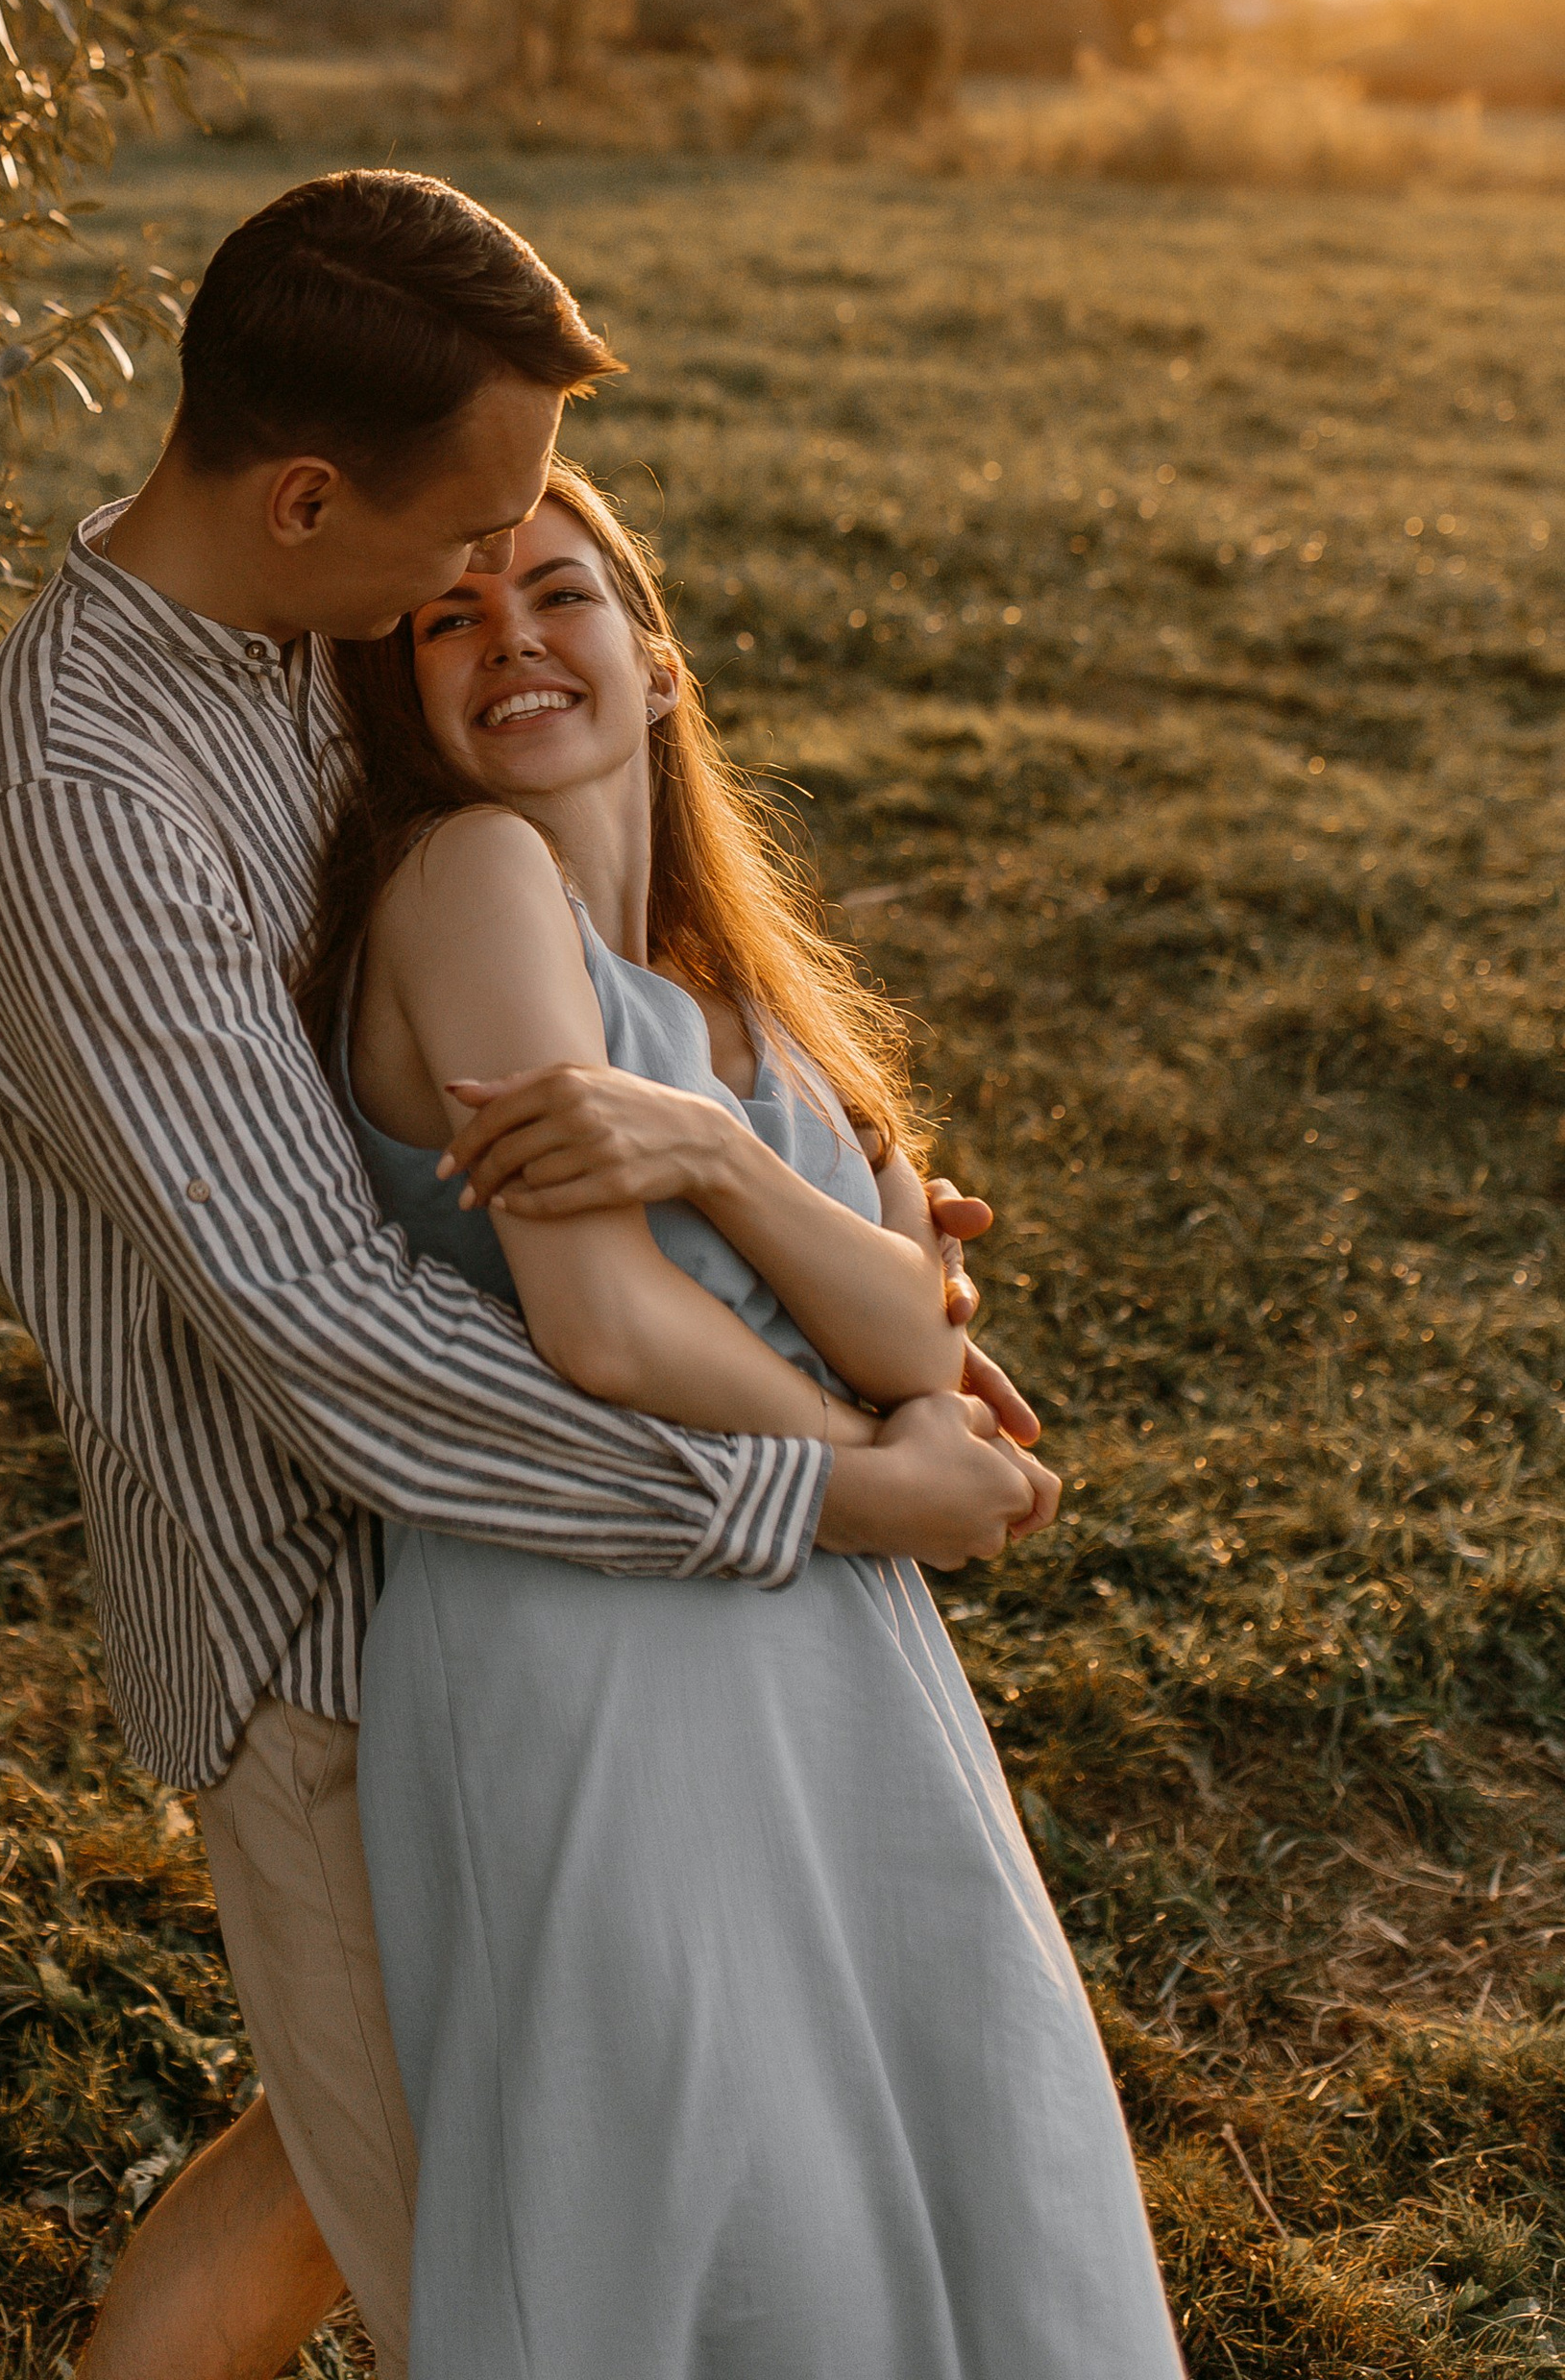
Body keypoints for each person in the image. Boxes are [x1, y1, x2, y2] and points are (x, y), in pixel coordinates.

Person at [0, 170, 1053, 2380]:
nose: (492, 575)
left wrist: (816, 1210)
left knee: (351, 2159)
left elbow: (561, 1006)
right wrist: (830, 1474)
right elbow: (327, 1332)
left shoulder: (319, 630)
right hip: (337, 1604)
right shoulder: (77, 796)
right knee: (507, 2262)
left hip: (565, 1554)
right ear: (310, 494)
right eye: (472, 529)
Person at [305, 456, 1181, 2379]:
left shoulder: (745, 1000)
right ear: (407, 690)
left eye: (558, 597)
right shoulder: (470, 880)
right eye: (448, 617)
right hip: (591, 1631)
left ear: (657, 656)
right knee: (702, 2196)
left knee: (951, 2151)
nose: (509, 641)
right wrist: (870, 1479)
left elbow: (908, 1323)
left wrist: (707, 1141)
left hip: (825, 1652)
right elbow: (602, 1319)